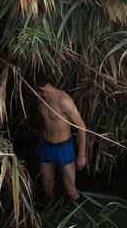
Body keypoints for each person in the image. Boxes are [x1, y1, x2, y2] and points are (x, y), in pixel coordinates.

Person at [34, 72, 87, 200]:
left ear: (39, 89)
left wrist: (81, 155)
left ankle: (78, 216)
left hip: (64, 148)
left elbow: (82, 127)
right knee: (47, 188)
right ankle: (50, 217)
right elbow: (45, 123)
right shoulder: (40, 99)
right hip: (46, 146)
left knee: (70, 190)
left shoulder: (64, 100)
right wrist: (40, 144)